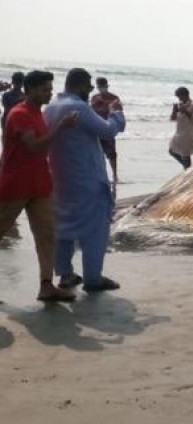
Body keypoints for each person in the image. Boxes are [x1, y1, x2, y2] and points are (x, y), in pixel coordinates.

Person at [45, 68, 126, 292]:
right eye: (89, 86)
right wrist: (116, 113)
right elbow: (108, 131)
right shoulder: (78, 107)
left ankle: (65, 274)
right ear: (81, 86)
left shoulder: (51, 107)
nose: (90, 90)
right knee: (95, 229)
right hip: (86, 179)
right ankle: (92, 278)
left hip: (60, 178)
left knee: (64, 227)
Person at [0, 71, 78, 302]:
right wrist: (61, 126)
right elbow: (33, 145)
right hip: (15, 184)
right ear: (31, 89)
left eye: (50, 88)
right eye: (45, 89)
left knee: (47, 234)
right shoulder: (20, 114)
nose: (50, 92)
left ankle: (46, 285)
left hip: (39, 184)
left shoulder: (37, 114)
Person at [90, 77, 122, 183]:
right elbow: (90, 111)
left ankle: (114, 175)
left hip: (108, 127)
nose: (101, 88)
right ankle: (100, 175)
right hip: (97, 128)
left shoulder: (114, 98)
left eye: (103, 86)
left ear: (107, 86)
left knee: (112, 153)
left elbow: (119, 111)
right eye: (99, 86)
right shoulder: (94, 98)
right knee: (97, 153)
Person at [169, 86, 193, 169]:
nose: (179, 99)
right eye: (178, 97)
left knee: (185, 155)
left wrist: (186, 111)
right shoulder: (181, 106)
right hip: (179, 134)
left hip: (188, 134)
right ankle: (188, 168)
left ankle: (188, 170)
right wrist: (174, 111)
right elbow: (172, 119)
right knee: (172, 151)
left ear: (185, 95)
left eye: (180, 97)